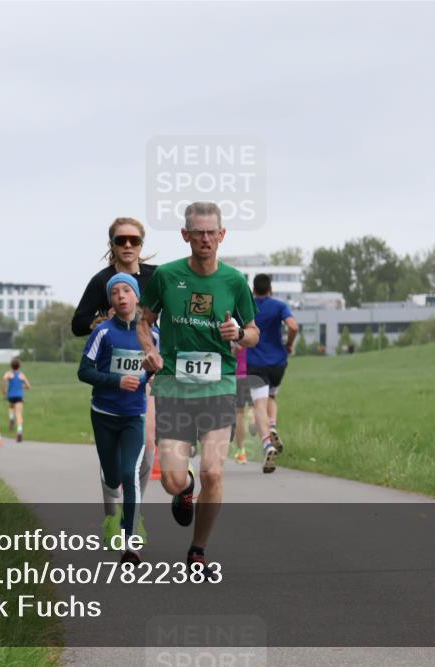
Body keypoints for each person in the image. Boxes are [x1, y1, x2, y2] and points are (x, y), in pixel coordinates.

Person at [138, 201, 258, 576]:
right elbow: (144, 321)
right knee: (174, 482)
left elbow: (253, 333)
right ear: (185, 235)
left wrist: (238, 332)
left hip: (218, 387)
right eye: (198, 232)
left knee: (213, 472)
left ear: (222, 235)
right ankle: (185, 490)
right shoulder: (166, 277)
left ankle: (197, 550)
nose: (205, 238)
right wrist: (150, 350)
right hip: (173, 387)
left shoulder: (235, 282)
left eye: (212, 232)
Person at [71, 217, 160, 525]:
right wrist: (103, 320)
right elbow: (78, 323)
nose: (127, 245)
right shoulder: (102, 281)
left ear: (141, 245)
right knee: (112, 466)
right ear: (112, 244)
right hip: (111, 377)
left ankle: (134, 514)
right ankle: (112, 513)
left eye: (133, 240)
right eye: (121, 240)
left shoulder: (155, 277)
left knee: (148, 446)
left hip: (147, 369)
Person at [78, 274, 158, 564]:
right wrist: (115, 381)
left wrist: (151, 372)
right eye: (115, 293)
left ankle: (130, 541)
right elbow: (84, 372)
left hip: (134, 416)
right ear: (111, 301)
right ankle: (107, 477)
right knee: (113, 478)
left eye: (127, 290)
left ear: (137, 298)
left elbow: (156, 366)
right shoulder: (103, 333)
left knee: (130, 473)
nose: (121, 296)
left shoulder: (151, 334)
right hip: (104, 414)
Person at [247, 273, 299, 473]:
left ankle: (268, 443)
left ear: (253, 289)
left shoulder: (248, 305)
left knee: (259, 405)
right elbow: (293, 326)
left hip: (255, 362)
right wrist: (289, 344)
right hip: (278, 361)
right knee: (272, 396)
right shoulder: (279, 305)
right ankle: (273, 425)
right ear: (271, 289)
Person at [230, 342, 252, 464]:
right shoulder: (251, 329)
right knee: (243, 413)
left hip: (236, 375)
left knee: (239, 413)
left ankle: (241, 451)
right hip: (250, 374)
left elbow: (235, 350)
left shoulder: (231, 326)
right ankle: (241, 451)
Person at [1, 358, 31, 442]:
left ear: (11, 366)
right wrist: (22, 386)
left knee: (11, 406)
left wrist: (4, 391)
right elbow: (28, 386)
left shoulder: (9, 373)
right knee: (19, 414)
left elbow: (3, 380)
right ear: (19, 366)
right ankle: (19, 431)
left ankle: (11, 418)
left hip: (11, 396)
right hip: (19, 396)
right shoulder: (21, 375)